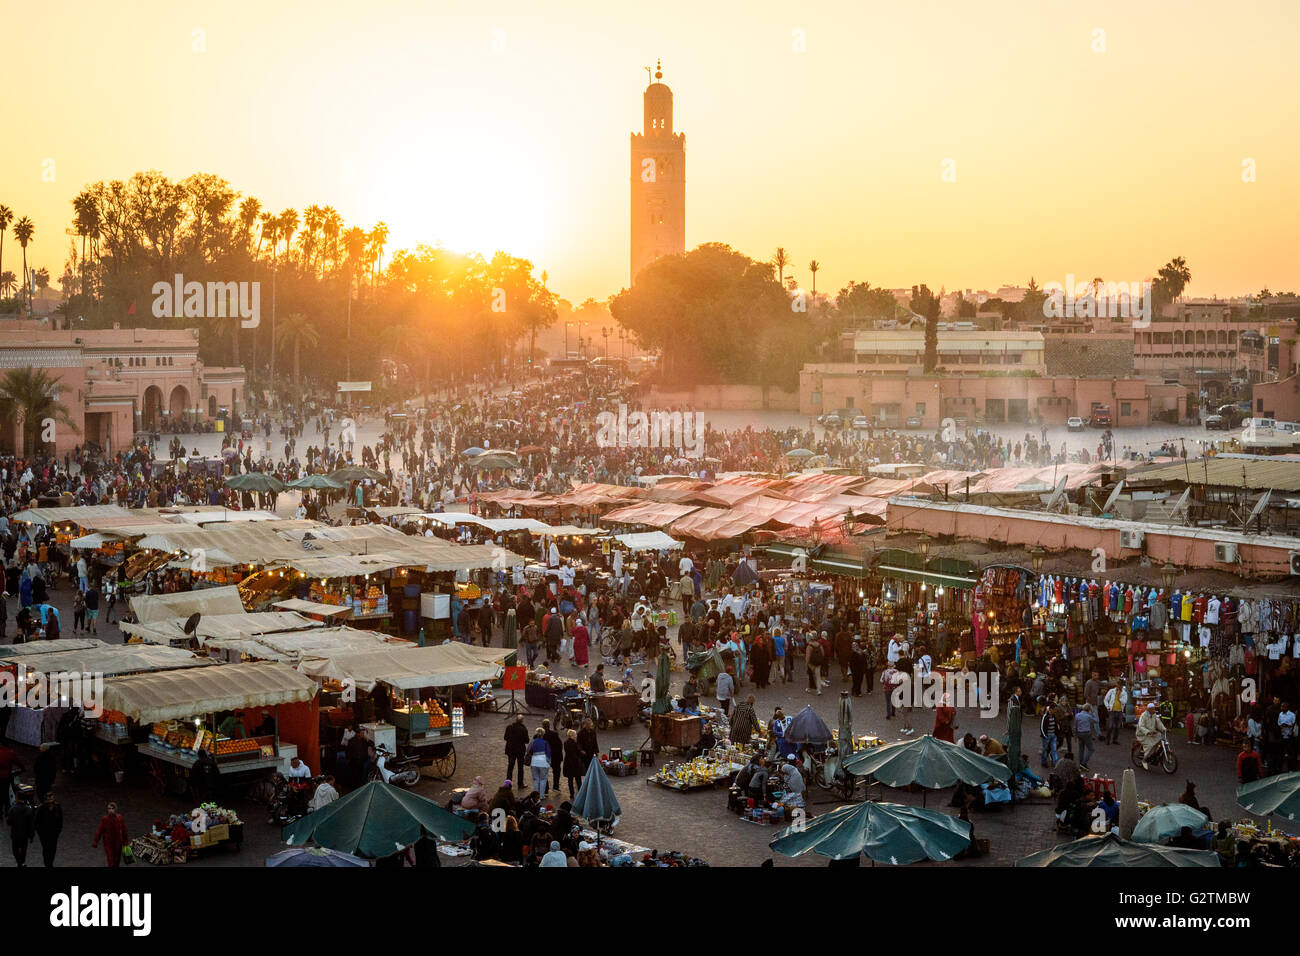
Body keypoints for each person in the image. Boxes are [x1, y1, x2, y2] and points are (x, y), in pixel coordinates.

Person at [91, 801, 128, 867]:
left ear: (115, 809)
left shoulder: (119, 818)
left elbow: (124, 830)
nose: (110, 810)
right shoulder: (105, 819)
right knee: (111, 861)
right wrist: (95, 841)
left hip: (118, 843)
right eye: (109, 809)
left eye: (112, 808)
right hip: (108, 844)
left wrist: (126, 842)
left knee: (117, 861)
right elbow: (99, 831)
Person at [1135, 702, 1167, 769]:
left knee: (1159, 737)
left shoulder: (1154, 715)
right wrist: (1147, 732)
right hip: (1143, 734)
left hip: (1152, 733)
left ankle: (1153, 755)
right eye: (1152, 709)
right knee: (1149, 745)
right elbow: (1141, 726)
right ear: (1148, 709)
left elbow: (1158, 723)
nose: (1154, 710)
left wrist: (1163, 729)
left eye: (1154, 709)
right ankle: (1144, 760)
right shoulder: (1143, 715)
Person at [34, 791, 62, 867]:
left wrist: (58, 830)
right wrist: (41, 833)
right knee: (46, 849)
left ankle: (50, 863)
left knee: (53, 849)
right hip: (44, 834)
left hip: (54, 833)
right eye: (48, 799)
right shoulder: (41, 809)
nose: (50, 800)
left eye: (51, 798)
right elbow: (37, 823)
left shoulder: (57, 807)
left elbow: (60, 820)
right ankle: (47, 864)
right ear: (45, 800)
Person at [7, 793, 34, 867]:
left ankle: (19, 862)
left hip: (15, 834)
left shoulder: (12, 809)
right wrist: (31, 835)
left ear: (17, 798)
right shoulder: (28, 809)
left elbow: (9, 822)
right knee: (23, 849)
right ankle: (22, 862)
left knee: (15, 849)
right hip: (25, 835)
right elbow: (31, 824)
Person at [504, 714, 529, 788]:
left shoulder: (509, 727)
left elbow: (505, 737)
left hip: (511, 750)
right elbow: (526, 741)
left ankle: (508, 784)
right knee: (520, 768)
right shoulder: (523, 729)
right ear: (522, 721)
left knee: (510, 767)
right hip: (520, 751)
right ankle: (520, 784)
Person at [526, 727, 552, 794]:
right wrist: (549, 762)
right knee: (543, 779)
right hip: (543, 761)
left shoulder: (533, 742)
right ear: (543, 734)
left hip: (534, 760)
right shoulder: (545, 742)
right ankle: (541, 795)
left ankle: (536, 795)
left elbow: (528, 750)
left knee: (536, 779)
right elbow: (548, 753)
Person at [1074, 703, 1098, 770]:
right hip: (1087, 734)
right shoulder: (1088, 716)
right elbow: (1096, 720)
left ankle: (1081, 764)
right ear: (1089, 709)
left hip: (1079, 733)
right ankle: (1084, 763)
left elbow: (1075, 726)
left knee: (1081, 749)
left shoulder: (1077, 715)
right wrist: (1093, 713)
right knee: (1091, 749)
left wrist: (1075, 736)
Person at [542, 720, 564, 793]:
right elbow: (560, 745)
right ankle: (556, 786)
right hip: (555, 757)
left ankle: (546, 788)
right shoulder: (554, 734)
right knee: (556, 772)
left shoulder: (540, 735)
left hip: (545, 757)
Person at [562, 730, 584, 797]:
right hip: (575, 763)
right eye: (575, 734)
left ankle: (571, 793)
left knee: (570, 779)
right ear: (572, 735)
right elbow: (577, 752)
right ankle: (580, 792)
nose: (576, 736)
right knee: (578, 779)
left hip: (568, 762)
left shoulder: (566, 742)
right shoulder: (575, 743)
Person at [1040, 702, 1058, 768]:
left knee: (1054, 749)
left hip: (1053, 735)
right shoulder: (1045, 717)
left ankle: (1055, 763)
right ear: (1051, 709)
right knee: (1045, 750)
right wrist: (1045, 736)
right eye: (1055, 710)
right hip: (1047, 736)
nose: (1056, 711)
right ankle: (1043, 762)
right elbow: (1042, 727)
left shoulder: (1054, 716)